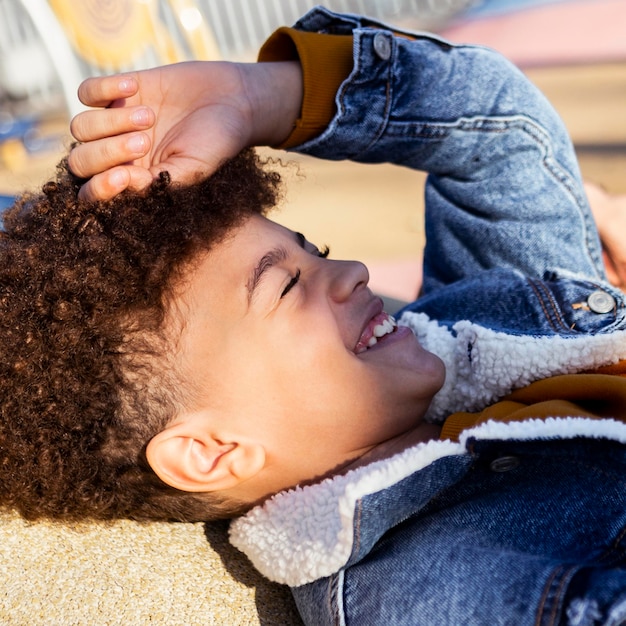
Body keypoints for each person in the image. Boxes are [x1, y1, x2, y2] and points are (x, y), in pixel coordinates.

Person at [6, 5, 626, 624]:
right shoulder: (443, 586)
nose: (352, 271)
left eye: (315, 249)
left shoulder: (477, 318)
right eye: (283, 287)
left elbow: (497, 132)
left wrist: (258, 96)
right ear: (212, 450)